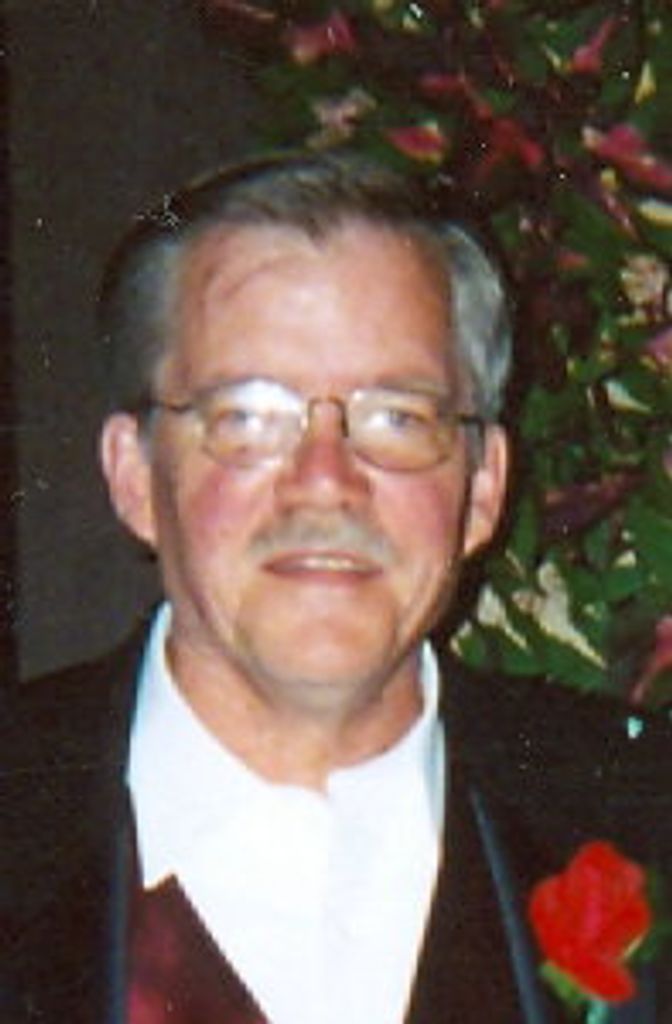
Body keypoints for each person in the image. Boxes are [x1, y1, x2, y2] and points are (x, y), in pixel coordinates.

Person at [1, 152, 670, 1024]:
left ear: (482, 488)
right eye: (249, 417)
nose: (325, 481)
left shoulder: (645, 814)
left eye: (397, 417)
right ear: (134, 478)